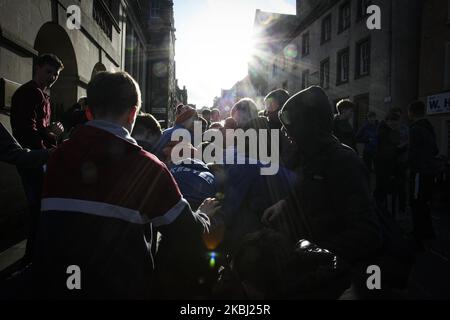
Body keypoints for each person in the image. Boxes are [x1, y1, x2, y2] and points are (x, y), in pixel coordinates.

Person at [32, 71, 219, 299]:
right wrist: (203, 215)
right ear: (133, 114)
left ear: (89, 112)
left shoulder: (54, 159)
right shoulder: (149, 169)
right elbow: (188, 235)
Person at [262, 86, 381, 296]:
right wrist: (285, 205)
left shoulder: (343, 161)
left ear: (308, 126)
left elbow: (367, 233)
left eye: (290, 125)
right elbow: (310, 194)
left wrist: (311, 250)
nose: (284, 132)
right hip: (312, 270)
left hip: (333, 278)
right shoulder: (310, 158)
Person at [10, 53, 65, 263]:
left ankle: (34, 254)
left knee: (40, 207)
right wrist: (50, 138)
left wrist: (51, 132)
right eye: (48, 72)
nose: (52, 77)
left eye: (56, 74)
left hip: (38, 157)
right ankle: (32, 256)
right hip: (33, 157)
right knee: (38, 208)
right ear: (38, 68)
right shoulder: (29, 93)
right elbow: (25, 130)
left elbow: (40, 129)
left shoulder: (43, 95)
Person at [408, 100, 439, 247]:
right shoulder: (429, 127)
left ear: (411, 113)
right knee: (425, 202)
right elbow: (435, 150)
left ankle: (418, 236)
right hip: (430, 170)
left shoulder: (415, 129)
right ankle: (429, 232)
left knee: (416, 203)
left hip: (419, 171)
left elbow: (412, 153)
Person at [374, 112, 404, 213]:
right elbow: (389, 150)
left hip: (384, 163)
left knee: (381, 187)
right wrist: (401, 148)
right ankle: (378, 210)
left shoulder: (384, 130)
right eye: (393, 122)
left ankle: (379, 208)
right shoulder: (385, 131)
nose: (394, 125)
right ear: (388, 121)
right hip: (385, 164)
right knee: (382, 187)